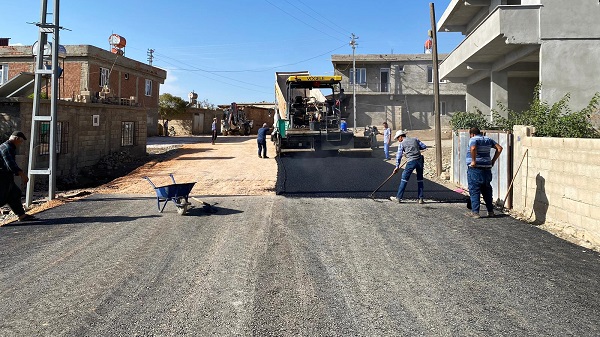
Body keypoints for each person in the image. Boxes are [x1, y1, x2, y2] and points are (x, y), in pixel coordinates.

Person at [466, 127, 503, 218]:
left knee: (474, 190)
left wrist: (473, 161)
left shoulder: (473, 139)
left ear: (472, 134)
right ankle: (490, 211)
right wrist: (493, 160)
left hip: (475, 169)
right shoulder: (488, 139)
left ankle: (475, 212)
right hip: (487, 169)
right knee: (487, 190)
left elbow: (473, 148)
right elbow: (499, 148)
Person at [0, 131, 37, 221]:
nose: (20, 144)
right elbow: (10, 164)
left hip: (6, 177)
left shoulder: (8, 147)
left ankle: (21, 215)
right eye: (20, 141)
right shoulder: (7, 148)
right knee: (1, 197)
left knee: (14, 193)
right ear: (16, 139)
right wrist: (22, 174)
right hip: (2, 177)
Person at [389, 130, 427, 204]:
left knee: (404, 179)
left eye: (398, 138)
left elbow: (399, 155)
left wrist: (397, 166)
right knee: (420, 179)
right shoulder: (415, 139)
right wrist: (415, 149)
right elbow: (423, 146)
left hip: (411, 162)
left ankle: (398, 198)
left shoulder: (401, 144)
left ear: (401, 137)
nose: (398, 140)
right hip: (419, 161)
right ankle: (421, 198)